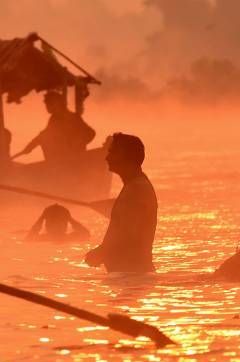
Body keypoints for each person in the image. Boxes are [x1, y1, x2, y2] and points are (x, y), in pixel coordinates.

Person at [85, 133, 157, 272]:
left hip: (133, 277)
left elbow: (130, 236)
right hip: (126, 277)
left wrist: (101, 252)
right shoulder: (132, 186)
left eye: (112, 152)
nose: (107, 157)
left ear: (126, 155)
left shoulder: (137, 189)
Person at [15, 92, 95, 162]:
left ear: (58, 103)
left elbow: (91, 133)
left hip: (73, 160)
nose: (47, 107)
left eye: (49, 103)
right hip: (60, 161)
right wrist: (30, 147)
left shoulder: (73, 118)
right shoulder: (54, 119)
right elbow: (45, 135)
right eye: (46, 104)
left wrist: (76, 144)